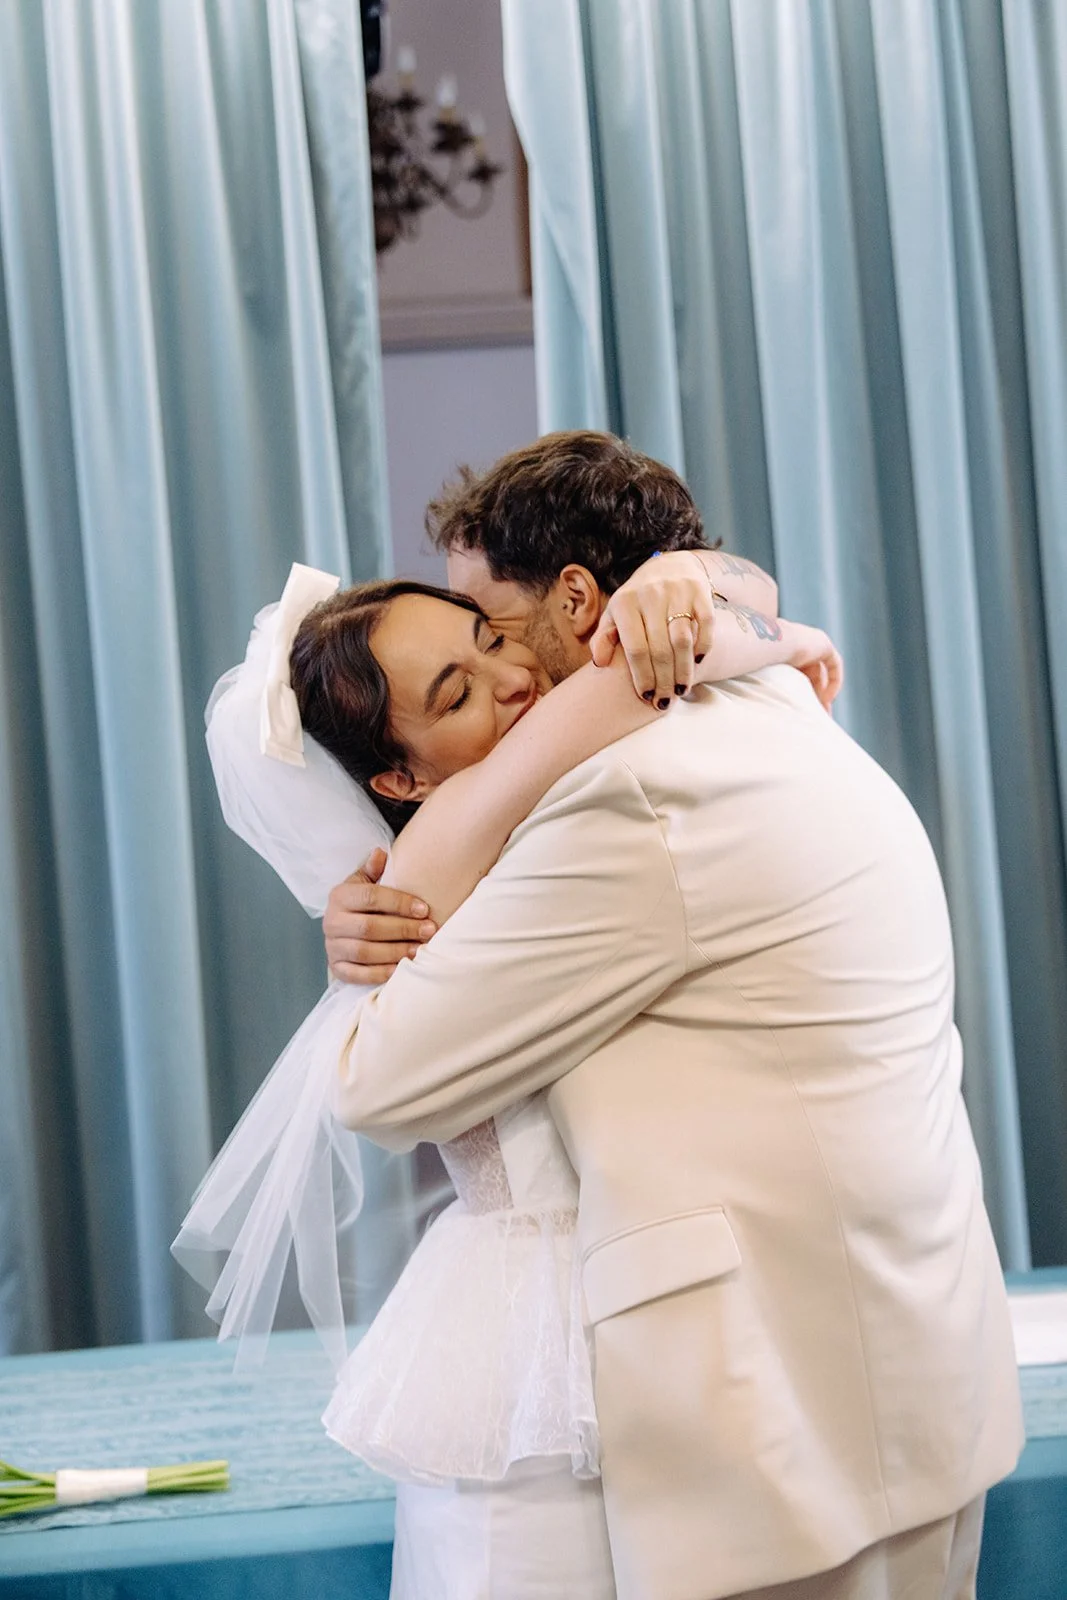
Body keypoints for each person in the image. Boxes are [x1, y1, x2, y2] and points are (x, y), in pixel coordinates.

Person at [318, 432, 1023, 1600]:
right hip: (907, 1378)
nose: (494, 663)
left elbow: (373, 1080)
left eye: (488, 624)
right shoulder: (782, 710)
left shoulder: (631, 793)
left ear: (581, 601)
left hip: (789, 1441)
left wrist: (383, 922)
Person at [177, 548, 837, 1599]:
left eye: (487, 641)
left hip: (650, 1297)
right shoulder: (452, 852)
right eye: (456, 691)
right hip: (531, 1335)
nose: (512, 678)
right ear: (398, 778)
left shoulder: (503, 808)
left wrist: (704, 590)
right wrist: (787, 639)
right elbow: (622, 686)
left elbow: (714, 605)